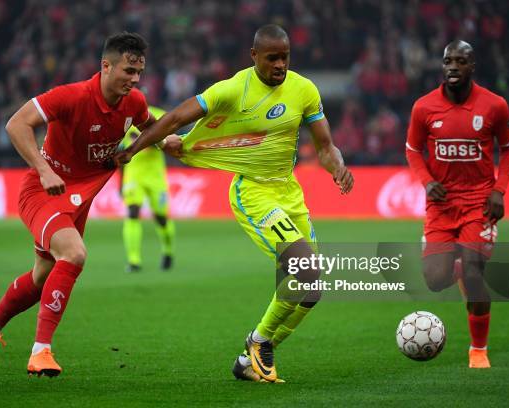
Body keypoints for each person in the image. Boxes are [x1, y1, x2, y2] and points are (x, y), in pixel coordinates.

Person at [115, 24, 354, 383]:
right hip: (253, 194)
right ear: (254, 56)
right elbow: (178, 117)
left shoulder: (304, 90)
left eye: (285, 57)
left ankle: (250, 357)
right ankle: (258, 344)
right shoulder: (232, 89)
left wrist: (338, 166)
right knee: (302, 268)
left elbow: (324, 146)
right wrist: (136, 147)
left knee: (312, 289)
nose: (280, 64)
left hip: (290, 193)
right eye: (272, 57)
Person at [0, 32, 154, 377]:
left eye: (139, 72)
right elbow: (16, 123)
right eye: (128, 71)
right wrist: (43, 170)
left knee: (42, 279)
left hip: (78, 199)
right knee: (75, 254)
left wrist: (168, 143)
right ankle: (41, 351)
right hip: (43, 192)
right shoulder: (71, 96)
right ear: (106, 66)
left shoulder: (134, 103)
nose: (134, 79)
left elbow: (155, 130)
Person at [405, 40, 509, 369]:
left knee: (473, 272)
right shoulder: (424, 108)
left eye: (460, 61)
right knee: (435, 279)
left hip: (478, 203)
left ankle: (478, 350)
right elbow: (413, 150)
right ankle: (452, 265)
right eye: (447, 61)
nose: (453, 66)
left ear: (472, 67)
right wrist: (427, 182)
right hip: (441, 206)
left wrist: (499, 190)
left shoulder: (494, 106)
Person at [120, 106, 175, 272]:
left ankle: (167, 251)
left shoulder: (157, 115)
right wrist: (120, 181)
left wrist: (143, 139)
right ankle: (134, 260)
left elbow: (162, 143)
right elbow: (122, 150)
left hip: (155, 176)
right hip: (134, 174)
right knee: (132, 212)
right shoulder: (123, 118)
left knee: (161, 218)